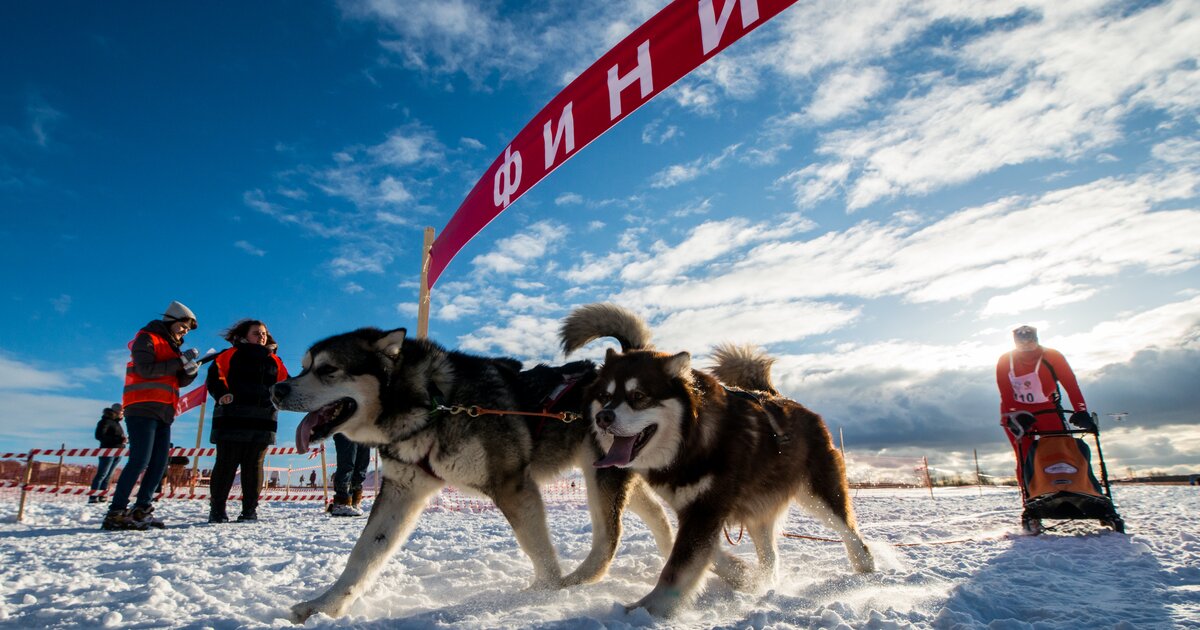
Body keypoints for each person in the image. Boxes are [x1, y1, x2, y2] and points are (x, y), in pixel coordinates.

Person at [103, 301, 200, 531]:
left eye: (188, 328)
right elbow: (146, 369)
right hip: (142, 407)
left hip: (165, 410)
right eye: (183, 326)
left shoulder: (174, 346)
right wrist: (179, 362)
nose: (185, 331)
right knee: (139, 460)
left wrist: (190, 372)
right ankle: (116, 511)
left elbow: (176, 378)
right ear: (171, 320)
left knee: (158, 463)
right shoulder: (146, 338)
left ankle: (142, 510)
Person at [205, 319, 289, 523]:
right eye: (256, 333)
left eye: (264, 333)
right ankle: (217, 510)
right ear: (243, 336)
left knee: (254, 466)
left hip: (263, 420)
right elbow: (215, 379)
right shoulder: (229, 355)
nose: (262, 336)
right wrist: (221, 394)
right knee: (226, 464)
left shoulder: (275, 360)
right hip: (232, 418)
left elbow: (286, 384)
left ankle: (249, 510)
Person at [996, 325, 1094, 497]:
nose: (1026, 346)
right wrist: (1015, 415)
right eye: (1021, 343)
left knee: (1062, 449)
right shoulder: (1006, 360)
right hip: (1015, 413)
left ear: (1036, 339)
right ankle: (1030, 500)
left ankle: (1072, 491)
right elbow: (1005, 391)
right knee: (1025, 456)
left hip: (1046, 409)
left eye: (1030, 341)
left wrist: (1081, 410)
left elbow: (1070, 384)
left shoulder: (1052, 356)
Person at [88, 403, 126, 504]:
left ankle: (102, 495)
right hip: (108, 451)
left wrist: (123, 441)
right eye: (122, 412)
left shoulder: (117, 423)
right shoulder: (105, 421)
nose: (123, 414)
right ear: (117, 411)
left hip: (118, 452)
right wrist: (118, 439)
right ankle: (93, 496)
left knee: (109, 475)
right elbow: (99, 435)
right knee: (102, 474)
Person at [329, 433, 370, 516]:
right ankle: (342, 503)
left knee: (361, 465)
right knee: (347, 464)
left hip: (364, 428)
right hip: (346, 426)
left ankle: (354, 501)